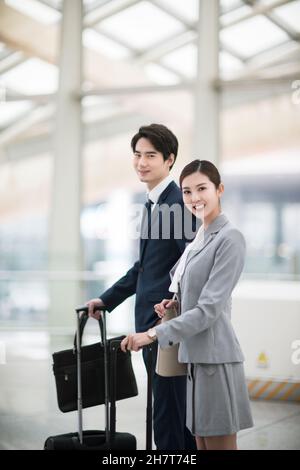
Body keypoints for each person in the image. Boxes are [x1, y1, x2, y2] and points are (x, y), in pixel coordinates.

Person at [121, 159, 254, 451]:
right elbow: (193, 291)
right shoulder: (199, 237)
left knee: (217, 444)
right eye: (187, 191)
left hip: (215, 360)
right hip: (193, 358)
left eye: (202, 188)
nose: (194, 198)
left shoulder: (230, 239)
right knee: (200, 445)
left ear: (219, 189)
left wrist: (152, 334)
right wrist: (175, 303)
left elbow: (209, 309)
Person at [86, 124, 196, 450]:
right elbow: (144, 269)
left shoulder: (177, 203)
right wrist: (106, 300)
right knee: (169, 409)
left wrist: (170, 314)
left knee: (169, 413)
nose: (141, 162)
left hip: (166, 326)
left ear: (169, 159)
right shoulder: (152, 204)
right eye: (137, 155)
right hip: (153, 327)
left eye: (150, 155)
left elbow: (191, 267)